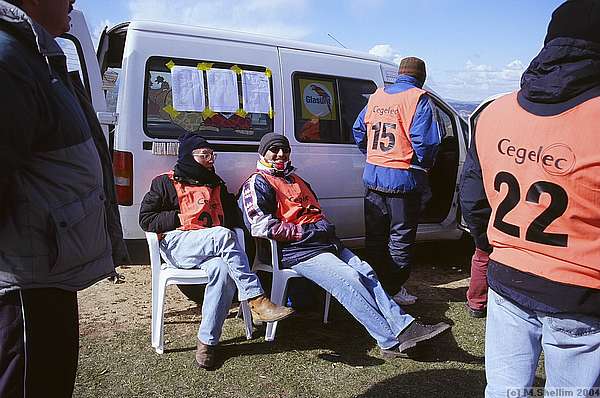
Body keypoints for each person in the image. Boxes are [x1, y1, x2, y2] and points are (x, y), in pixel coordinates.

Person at [460, 1, 600, 396]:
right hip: (582, 290)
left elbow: (473, 197)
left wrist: (494, 247)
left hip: (507, 273)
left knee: (503, 388)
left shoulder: (494, 110)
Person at [0, 0, 129, 396]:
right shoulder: (8, 59)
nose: (73, 1)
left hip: (46, 278)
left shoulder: (32, 57)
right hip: (23, 289)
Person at [239, 133, 450, 358]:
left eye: (285, 149)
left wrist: (321, 229)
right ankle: (389, 341)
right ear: (263, 153)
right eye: (274, 149)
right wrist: (304, 232)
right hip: (298, 251)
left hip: (325, 243)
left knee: (367, 272)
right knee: (349, 279)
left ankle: (405, 328)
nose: (281, 154)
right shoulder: (257, 182)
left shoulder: (295, 178)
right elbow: (259, 225)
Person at [139, 132, 294, 369]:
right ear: (189, 157)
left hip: (212, 251)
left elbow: (234, 219)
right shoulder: (165, 182)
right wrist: (179, 217)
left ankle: (207, 343)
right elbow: (146, 219)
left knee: (222, 269)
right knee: (223, 235)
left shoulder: (216, 185)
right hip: (178, 245)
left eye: (212, 155)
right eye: (205, 155)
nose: (211, 159)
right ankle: (256, 299)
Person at [352, 57, 441, 305]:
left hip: (373, 176)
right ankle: (392, 289)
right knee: (400, 238)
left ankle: (375, 285)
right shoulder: (418, 98)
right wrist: (424, 165)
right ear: (420, 76)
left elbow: (358, 130)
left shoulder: (377, 96)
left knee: (375, 237)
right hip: (403, 179)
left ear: (399, 74)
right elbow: (426, 142)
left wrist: (372, 155)